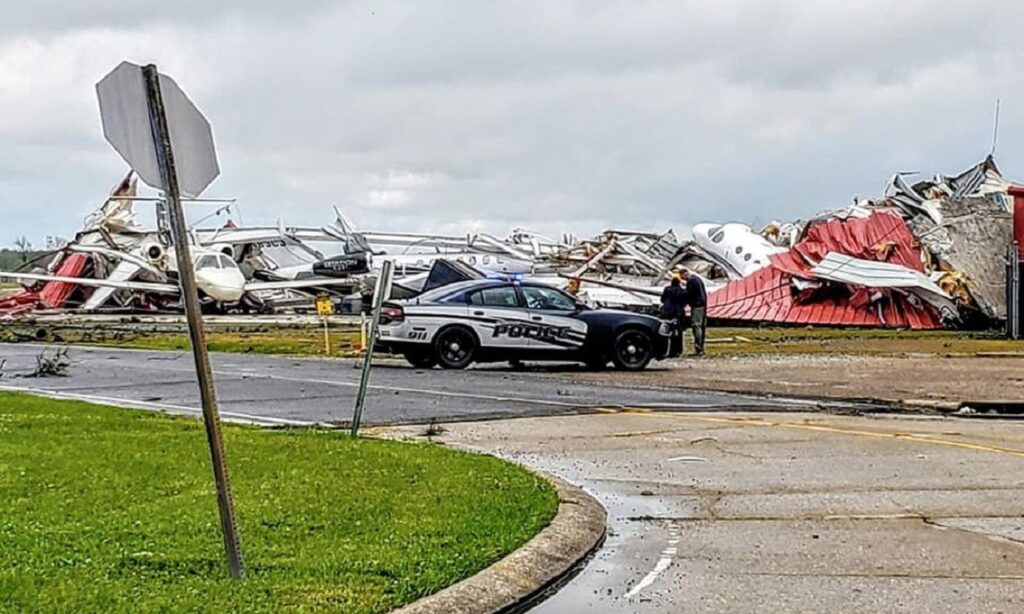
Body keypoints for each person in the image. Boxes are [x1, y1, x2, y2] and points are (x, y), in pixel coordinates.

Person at [679, 269, 707, 356]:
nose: (681, 278)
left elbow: (689, 294)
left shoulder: (691, 282)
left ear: (684, 274)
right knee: (701, 326)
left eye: (681, 276)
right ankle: (700, 347)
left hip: (697, 305)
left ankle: (698, 348)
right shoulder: (697, 279)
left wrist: (683, 302)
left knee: (696, 325)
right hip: (703, 304)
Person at [660, 273, 687, 356]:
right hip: (678, 314)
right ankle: (678, 350)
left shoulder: (667, 289)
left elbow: (662, 300)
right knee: (678, 333)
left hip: (667, 313)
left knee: (666, 332)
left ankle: (666, 350)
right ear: (679, 281)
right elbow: (684, 303)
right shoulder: (683, 291)